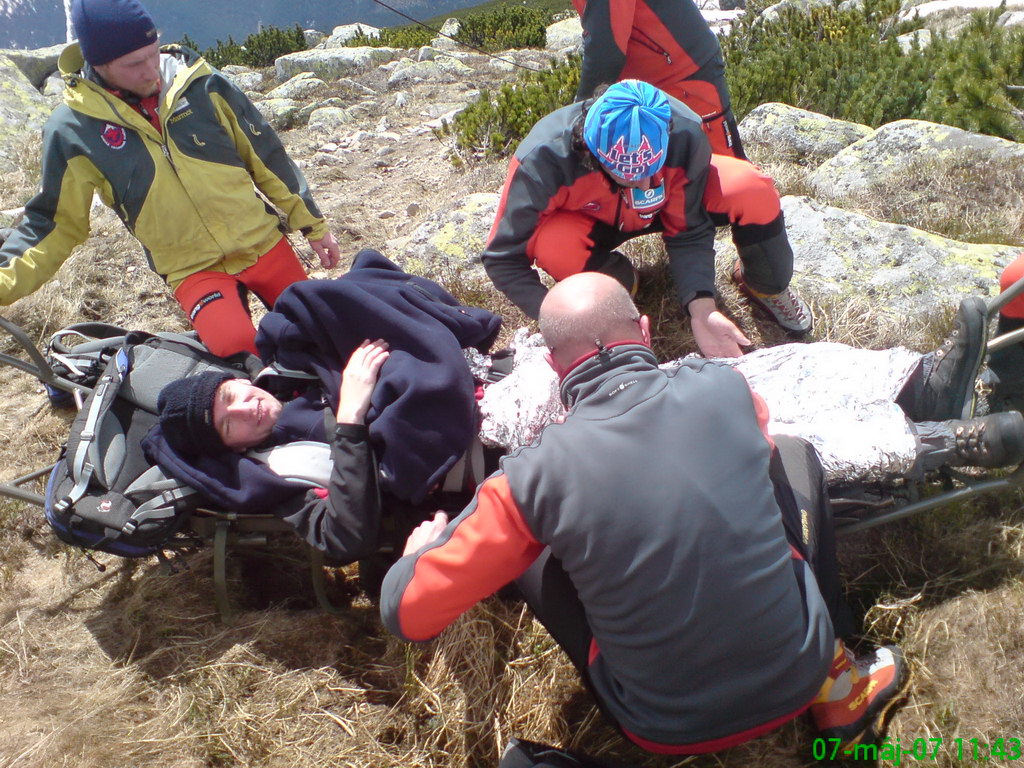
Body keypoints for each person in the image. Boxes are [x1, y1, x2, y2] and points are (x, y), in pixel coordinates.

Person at [379, 272, 910, 753]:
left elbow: (406, 614)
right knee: (792, 455)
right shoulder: (726, 388)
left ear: (551, 365)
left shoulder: (529, 479)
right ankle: (842, 687)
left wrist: (417, 556)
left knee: (535, 557)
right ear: (647, 329)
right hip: (802, 670)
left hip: (663, 726)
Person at [0, 0, 341, 358]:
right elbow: (53, 224)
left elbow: (267, 157)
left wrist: (314, 226)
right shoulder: (73, 130)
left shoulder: (201, 84)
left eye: (153, 52)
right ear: (97, 64)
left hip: (262, 242)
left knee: (322, 333)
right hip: (193, 270)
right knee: (239, 357)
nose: (152, 71)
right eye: (134, 64)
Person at [144, 249, 503, 564]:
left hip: (487, 376)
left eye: (228, 397)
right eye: (227, 425)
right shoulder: (279, 472)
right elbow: (347, 538)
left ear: (236, 380)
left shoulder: (291, 356)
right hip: (482, 453)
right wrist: (351, 417)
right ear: (235, 447)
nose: (243, 408)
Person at [482, 80, 806, 362]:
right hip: (591, 218)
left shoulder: (684, 133)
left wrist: (702, 307)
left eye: (652, 170)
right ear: (590, 154)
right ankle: (620, 288)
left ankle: (766, 286)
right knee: (553, 243)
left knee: (749, 188)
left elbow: (689, 230)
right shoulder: (543, 160)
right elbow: (503, 259)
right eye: (626, 176)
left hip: (670, 207)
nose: (645, 185)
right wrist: (559, 322)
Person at [570, 0, 809, 336]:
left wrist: (581, 120)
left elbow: (606, 50)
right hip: (641, 90)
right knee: (644, 179)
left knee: (723, 188)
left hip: (683, 79)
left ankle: (766, 285)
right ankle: (626, 282)